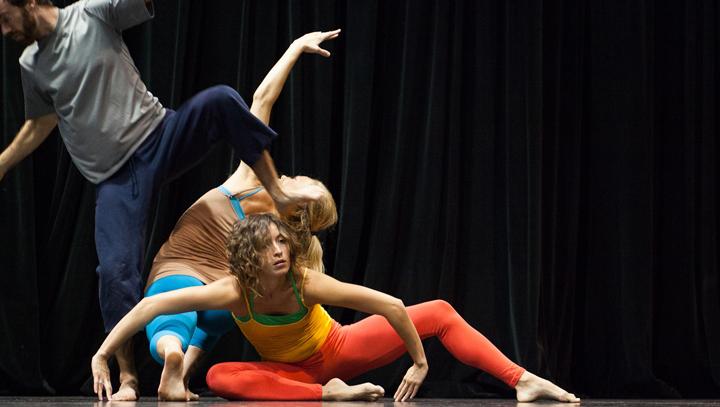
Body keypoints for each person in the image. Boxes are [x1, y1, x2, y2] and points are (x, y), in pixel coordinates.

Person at [0, 0, 316, 397]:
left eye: (3, 16)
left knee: (220, 99)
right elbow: (40, 122)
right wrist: (3, 163)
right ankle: (128, 377)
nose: (4, 28)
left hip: (160, 135)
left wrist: (278, 195)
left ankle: (277, 192)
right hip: (116, 177)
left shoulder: (92, 13)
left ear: (28, 2)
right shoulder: (31, 63)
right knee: (115, 272)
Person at [92, 213, 581, 403]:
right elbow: (148, 307)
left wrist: (420, 361)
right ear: (248, 256)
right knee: (219, 377)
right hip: (294, 377)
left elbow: (390, 305)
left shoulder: (307, 282)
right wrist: (102, 354)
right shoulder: (232, 291)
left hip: (338, 349)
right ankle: (329, 397)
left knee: (438, 310)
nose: (281, 250)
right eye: (270, 246)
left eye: (285, 241)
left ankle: (523, 381)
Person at [103, 29, 341, 401]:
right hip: (223, 297)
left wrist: (294, 48)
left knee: (171, 313)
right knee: (227, 311)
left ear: (301, 203)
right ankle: (182, 372)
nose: (292, 175)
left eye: (301, 180)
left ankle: (172, 355)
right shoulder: (281, 241)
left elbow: (262, 99)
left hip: (180, 272)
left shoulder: (250, 177)